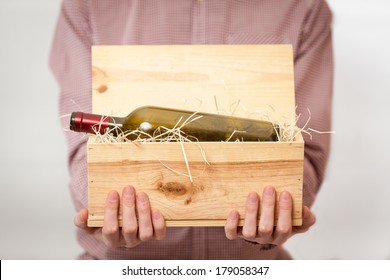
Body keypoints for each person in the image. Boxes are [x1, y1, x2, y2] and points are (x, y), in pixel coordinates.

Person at [50, 0, 333, 259]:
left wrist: (281, 205)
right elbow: (83, 155)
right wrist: (101, 207)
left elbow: (308, 153)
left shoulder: (304, 6)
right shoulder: (87, 5)